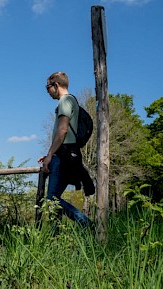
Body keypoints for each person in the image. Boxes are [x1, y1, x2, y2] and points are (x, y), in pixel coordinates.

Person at [38, 72, 92, 228]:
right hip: (63, 154)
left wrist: (50, 155)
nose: (47, 91)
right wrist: (50, 153)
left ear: (55, 85)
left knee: (51, 199)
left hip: (62, 157)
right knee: (54, 201)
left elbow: (62, 131)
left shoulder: (65, 101)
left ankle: (86, 224)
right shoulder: (70, 101)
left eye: (47, 87)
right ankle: (55, 239)